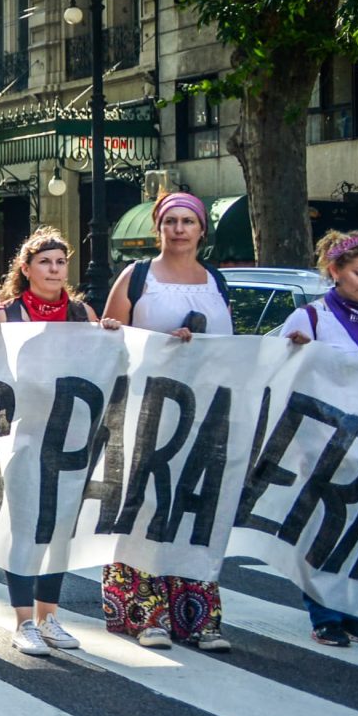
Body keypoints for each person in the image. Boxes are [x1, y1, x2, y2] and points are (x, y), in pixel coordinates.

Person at [97, 190, 233, 652]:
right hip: (145, 409)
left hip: (203, 412)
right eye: (170, 221)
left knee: (193, 507)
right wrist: (160, 343)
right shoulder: (136, 277)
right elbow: (110, 342)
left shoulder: (215, 279)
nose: (179, 229)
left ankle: (197, 614)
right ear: (158, 228)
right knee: (145, 507)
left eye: (187, 222)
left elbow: (232, 347)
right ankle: (143, 613)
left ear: (201, 230)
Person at [0, 227, 98, 654]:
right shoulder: (10, 316)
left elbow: (106, 364)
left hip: (71, 437)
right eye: (45, 261)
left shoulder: (82, 315)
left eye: (61, 261)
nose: (55, 269)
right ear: (26, 269)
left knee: (60, 529)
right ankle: (24, 621)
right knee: (26, 525)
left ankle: (50, 616)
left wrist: (111, 333)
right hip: (22, 437)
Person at [278, 230, 358, 647]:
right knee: (322, 530)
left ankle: (351, 610)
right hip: (322, 444)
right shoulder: (309, 318)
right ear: (335, 271)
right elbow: (273, 373)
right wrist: (291, 352)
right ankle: (324, 613)